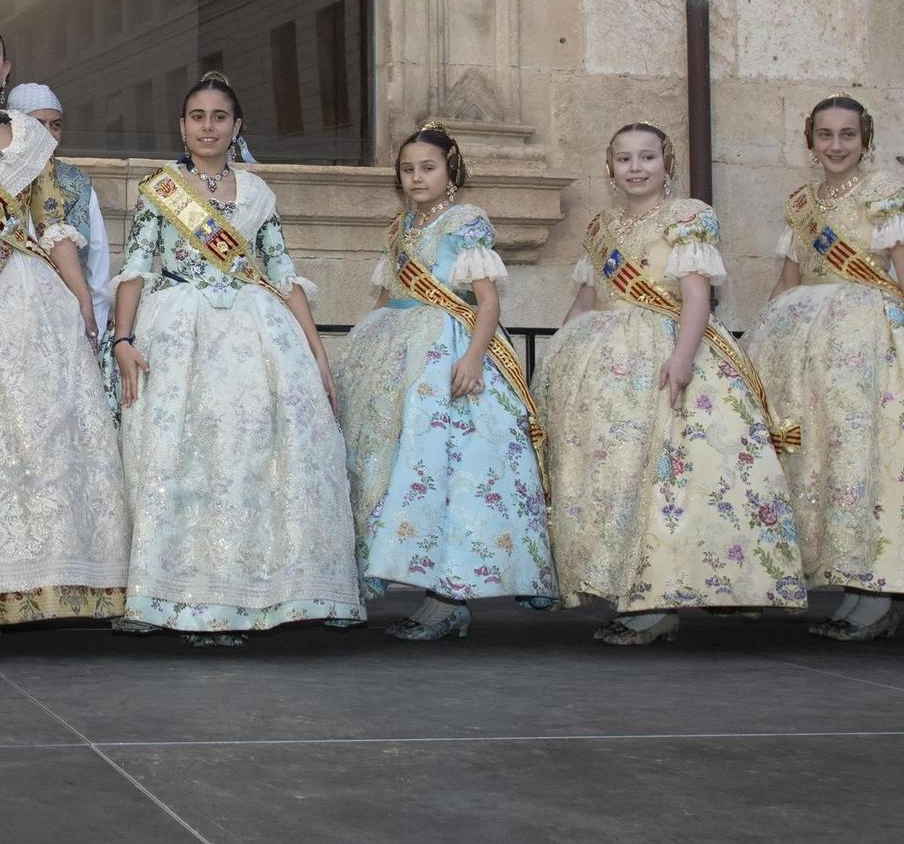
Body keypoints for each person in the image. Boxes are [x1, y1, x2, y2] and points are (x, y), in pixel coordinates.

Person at [108, 73, 361, 643]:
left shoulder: (257, 195)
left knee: (248, 464)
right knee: (181, 462)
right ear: (182, 125)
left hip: (256, 336)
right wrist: (123, 340)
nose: (207, 126)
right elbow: (137, 268)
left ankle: (254, 598)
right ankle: (176, 597)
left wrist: (317, 355)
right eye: (196, 116)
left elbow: (282, 274)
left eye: (219, 116)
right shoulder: (160, 190)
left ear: (237, 126)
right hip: (179, 338)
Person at [537, 122, 805, 645]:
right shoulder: (600, 227)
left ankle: (658, 604)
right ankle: (626, 590)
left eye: (647, 157)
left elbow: (697, 297)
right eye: (623, 158)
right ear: (609, 167)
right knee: (615, 480)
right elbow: (587, 298)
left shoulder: (688, 217)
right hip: (602, 365)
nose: (635, 167)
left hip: (663, 356)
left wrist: (682, 360)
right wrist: (556, 356)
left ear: (668, 163)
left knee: (662, 480)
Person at [0, 23, 128, 629]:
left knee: (44, 432)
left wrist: (81, 303)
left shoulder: (29, 141)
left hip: (28, 295)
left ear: (7, 67)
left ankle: (50, 582)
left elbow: (52, 225)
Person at [334, 125, 555, 640]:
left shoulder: (466, 222)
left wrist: (475, 360)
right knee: (399, 470)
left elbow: (488, 300)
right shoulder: (400, 228)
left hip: (448, 350)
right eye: (408, 169)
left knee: (450, 470)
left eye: (427, 167)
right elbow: (387, 295)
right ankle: (421, 587)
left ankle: (449, 597)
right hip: (396, 349)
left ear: (449, 170)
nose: (417, 177)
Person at [744, 95, 904, 641]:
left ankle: (878, 593)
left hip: (864, 340)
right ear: (809, 141)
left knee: (862, 458)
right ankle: (850, 587)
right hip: (803, 342)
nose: (836, 145)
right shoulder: (800, 202)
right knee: (820, 460)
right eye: (825, 135)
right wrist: (757, 342)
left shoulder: (884, 193)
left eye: (848, 135)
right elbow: (789, 277)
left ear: (866, 139)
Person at [7, 82, 111, 333]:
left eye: (56, 125)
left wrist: (93, 330)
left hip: (68, 324)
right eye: (37, 123)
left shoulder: (78, 184)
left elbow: (98, 271)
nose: (48, 134)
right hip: (10, 319)